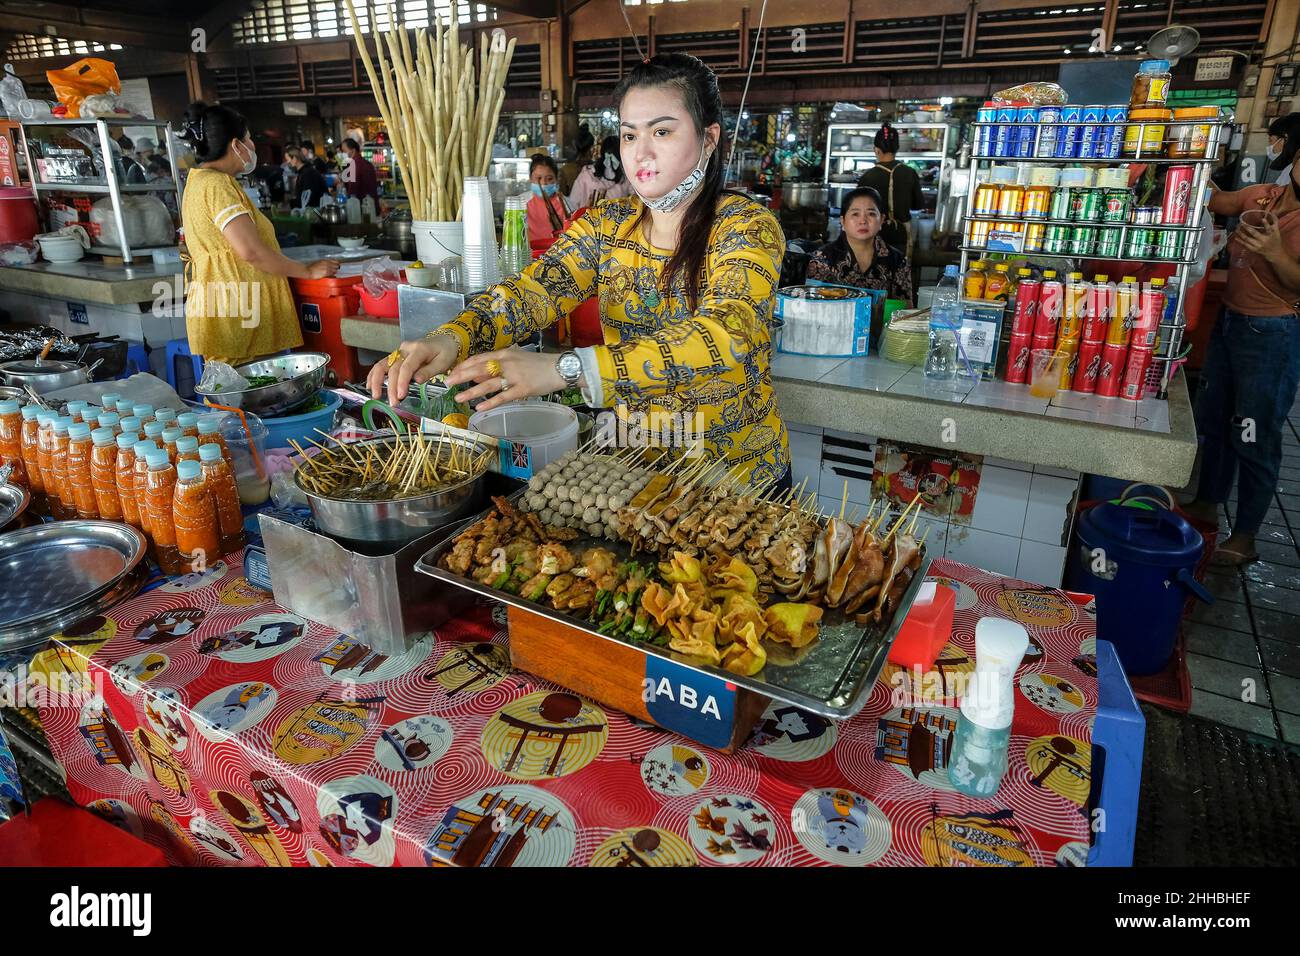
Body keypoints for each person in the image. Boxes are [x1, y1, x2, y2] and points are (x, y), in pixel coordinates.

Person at [368, 52, 791, 490]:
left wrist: (570, 369)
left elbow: (729, 330)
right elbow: (532, 292)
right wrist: (452, 337)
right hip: (636, 470)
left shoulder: (745, 226)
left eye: (662, 131)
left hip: (735, 478)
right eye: (629, 135)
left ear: (708, 139)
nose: (641, 152)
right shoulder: (605, 225)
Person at [1183, 162, 1300, 565]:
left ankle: (1246, 534)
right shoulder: (1262, 196)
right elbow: (1211, 198)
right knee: (1215, 421)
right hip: (1231, 321)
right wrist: (1198, 161)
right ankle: (1206, 502)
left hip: (1274, 334)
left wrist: (1274, 252)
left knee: (1254, 433)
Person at [177, 101, 338, 367]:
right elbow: (250, 251)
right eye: (248, 139)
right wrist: (307, 271)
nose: (252, 146)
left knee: (235, 396)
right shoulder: (217, 185)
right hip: (239, 315)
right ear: (235, 145)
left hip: (231, 308)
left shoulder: (200, 181)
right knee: (245, 397)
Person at [806, 187, 914, 304]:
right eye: (855, 214)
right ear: (843, 221)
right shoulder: (822, 259)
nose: (863, 221)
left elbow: (905, 309)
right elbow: (811, 306)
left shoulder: (897, 261)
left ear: (881, 220)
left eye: (871, 214)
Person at [856, 122, 923, 257]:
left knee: (875, 274)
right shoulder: (909, 172)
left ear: (876, 149)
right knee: (899, 273)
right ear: (897, 148)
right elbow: (918, 205)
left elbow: (858, 210)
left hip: (873, 236)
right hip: (901, 237)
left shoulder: (867, 177)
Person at [569, 135, 634, 209]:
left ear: (601, 152)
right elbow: (636, 200)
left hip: (586, 219)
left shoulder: (587, 174)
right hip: (618, 220)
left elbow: (573, 202)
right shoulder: (625, 176)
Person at [526, 154, 575, 240]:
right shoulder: (521, 204)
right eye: (538, 178)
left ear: (556, 179)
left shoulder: (567, 204)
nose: (543, 183)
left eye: (549, 179)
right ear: (530, 178)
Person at [559, 123, 595, 197]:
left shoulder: (566, 170)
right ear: (592, 149)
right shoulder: (597, 169)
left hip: (572, 208)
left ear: (574, 146)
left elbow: (562, 196)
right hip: (596, 208)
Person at [339, 138, 379, 203]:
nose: (342, 154)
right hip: (372, 204)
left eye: (344, 151)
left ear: (353, 150)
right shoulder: (366, 163)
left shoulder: (354, 165)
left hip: (362, 206)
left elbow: (352, 191)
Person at [1267, 112, 1300, 187]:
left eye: (1271, 141)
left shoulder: (1294, 173)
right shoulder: (1291, 169)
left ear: (1286, 138)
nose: (1270, 147)